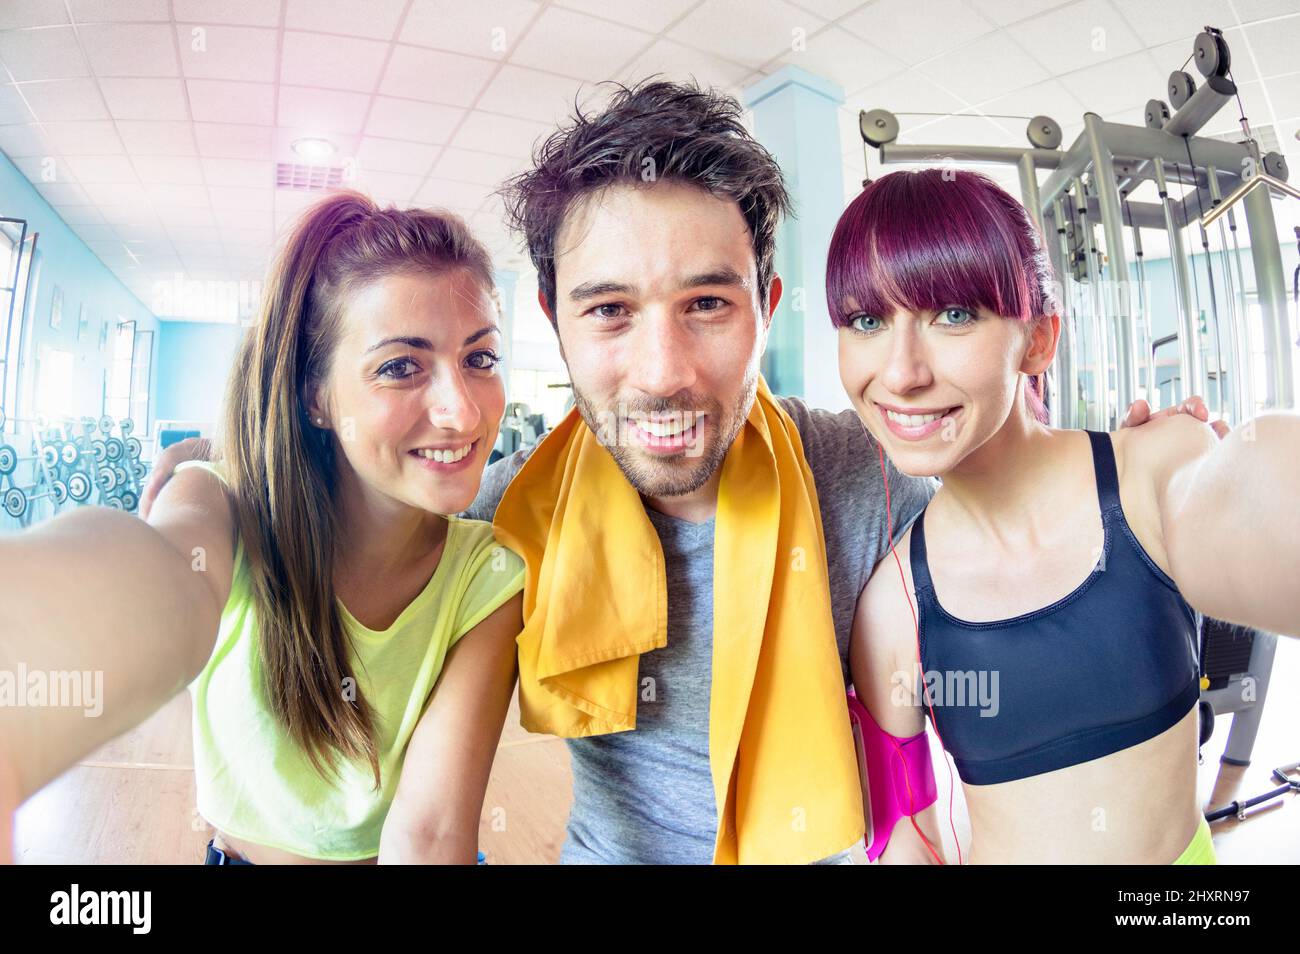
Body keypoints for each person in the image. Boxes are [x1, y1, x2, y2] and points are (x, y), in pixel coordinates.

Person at [140, 81, 1212, 866]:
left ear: (768, 311)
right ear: (552, 323)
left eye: (707, 303)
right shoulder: (509, 511)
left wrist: (1120, 472)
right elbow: (341, 504)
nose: (663, 373)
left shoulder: (863, 477)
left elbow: (1003, 510)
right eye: (608, 310)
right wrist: (206, 478)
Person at [0, 192, 525, 864]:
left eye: (480, 358)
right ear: (317, 398)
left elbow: (429, 834)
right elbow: (166, 585)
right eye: (400, 367)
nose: (462, 412)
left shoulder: (491, 574)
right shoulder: (220, 506)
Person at [833, 168, 1299, 864]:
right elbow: (910, 836)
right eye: (868, 321)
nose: (901, 373)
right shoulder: (892, 609)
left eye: (953, 315)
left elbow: (1260, 494)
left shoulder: (1153, 470)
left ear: (1039, 340)